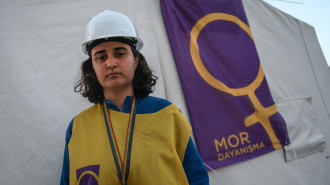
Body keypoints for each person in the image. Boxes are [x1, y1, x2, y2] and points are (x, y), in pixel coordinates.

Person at [60, 10, 209, 185]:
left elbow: (197, 178)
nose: (110, 63)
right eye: (100, 57)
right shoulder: (77, 127)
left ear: (136, 60)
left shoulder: (167, 114)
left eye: (120, 53)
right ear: (92, 67)